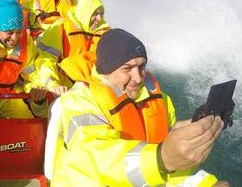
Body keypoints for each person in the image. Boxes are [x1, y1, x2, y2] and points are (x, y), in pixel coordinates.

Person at [45, 28, 228, 186]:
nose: (139, 77)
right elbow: (99, 157)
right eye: (128, 68)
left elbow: (169, 159)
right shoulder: (79, 101)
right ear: (107, 69)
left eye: (142, 67)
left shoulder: (158, 99)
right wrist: (161, 158)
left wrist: (204, 182)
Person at [38, 0, 110, 61]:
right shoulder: (61, 26)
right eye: (95, 14)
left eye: (101, 14)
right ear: (85, 13)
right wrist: (50, 74)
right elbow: (46, 59)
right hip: (62, 73)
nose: (99, 18)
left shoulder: (107, 34)